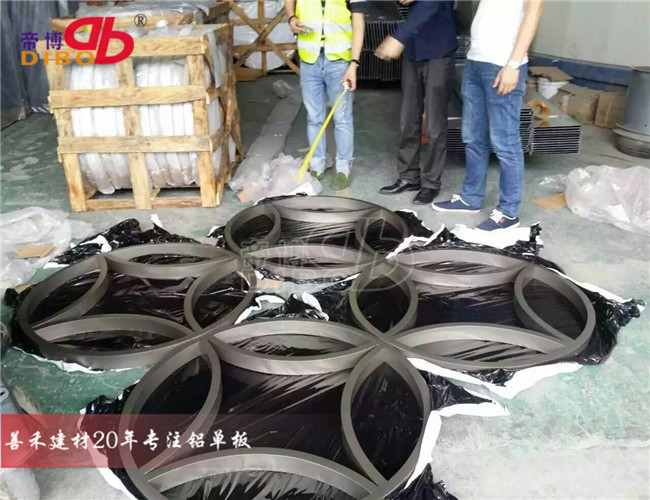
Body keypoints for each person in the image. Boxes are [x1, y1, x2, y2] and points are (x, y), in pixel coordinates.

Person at [433, 0, 544, 231]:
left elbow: (534, 13)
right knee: (473, 136)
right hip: (476, 61)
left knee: (505, 141)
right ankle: (471, 198)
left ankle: (508, 212)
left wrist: (513, 65)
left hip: (502, 65)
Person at [375, 0, 457, 205]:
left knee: (435, 124)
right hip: (413, 50)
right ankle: (408, 176)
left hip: (438, 50)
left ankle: (431, 183)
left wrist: (399, 37)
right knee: (408, 118)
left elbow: (430, 3)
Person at [285, 0, 366, 191]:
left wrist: (354, 64)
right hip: (309, 59)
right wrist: (291, 16)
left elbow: (358, 22)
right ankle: (317, 163)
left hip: (339, 61)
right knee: (314, 118)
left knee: (342, 118)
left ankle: (343, 166)